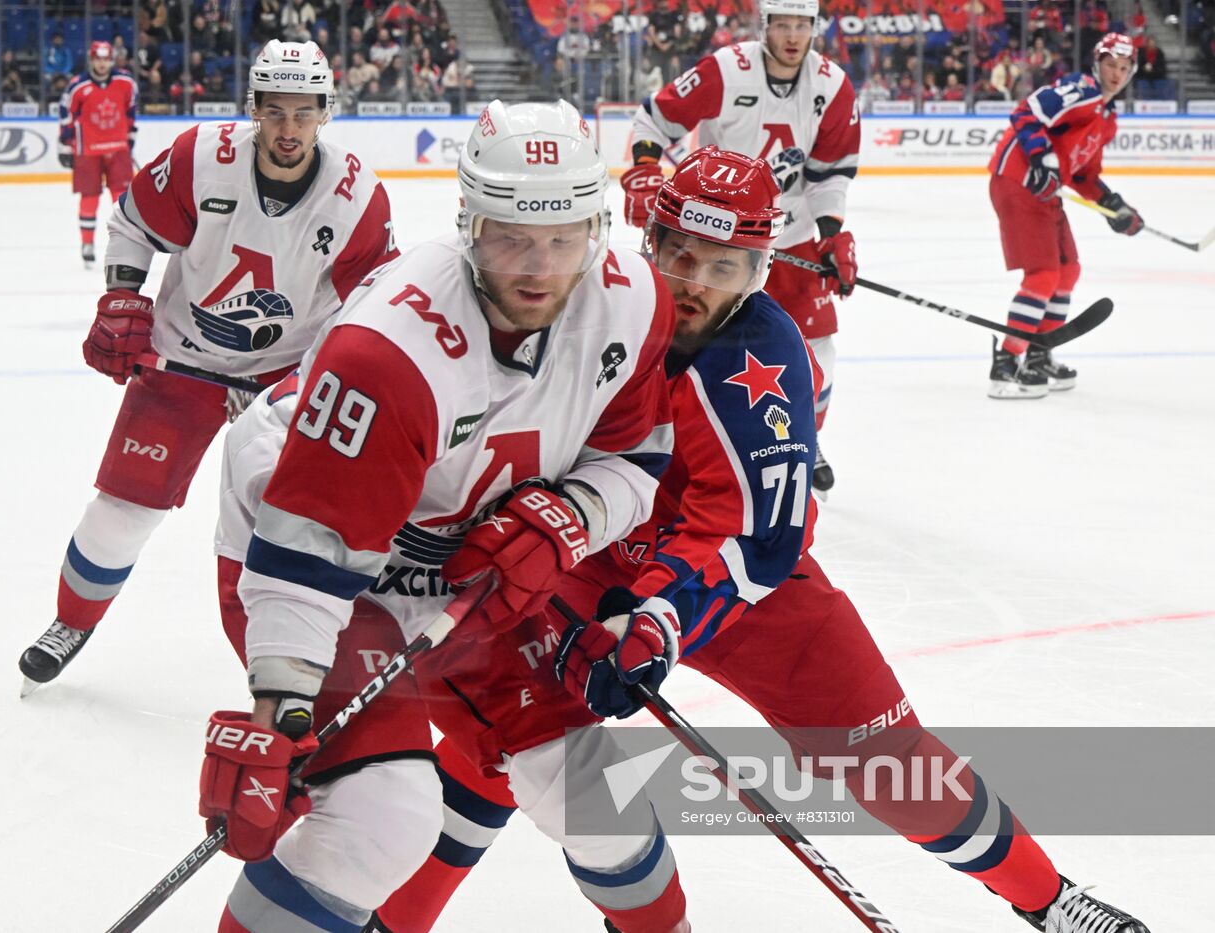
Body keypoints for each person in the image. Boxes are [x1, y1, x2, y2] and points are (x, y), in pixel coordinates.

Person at [374, 148, 1153, 933]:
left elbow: (757, 537)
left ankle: (1050, 900)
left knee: (891, 764)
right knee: (512, 739)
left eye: (726, 264)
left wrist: (657, 616)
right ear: (650, 240)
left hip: (739, 589)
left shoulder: (762, 355)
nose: (696, 283)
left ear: (757, 268)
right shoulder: (588, 307)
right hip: (582, 560)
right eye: (681, 253)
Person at [198, 98, 676, 933]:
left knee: (597, 789)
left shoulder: (632, 302)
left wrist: (571, 515)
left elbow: (635, 462)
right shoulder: (390, 350)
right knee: (383, 814)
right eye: (510, 236)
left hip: (465, 563)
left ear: (597, 225)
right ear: (468, 219)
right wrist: (284, 715)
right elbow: (308, 559)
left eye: (564, 238)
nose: (538, 266)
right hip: (315, 556)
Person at [16, 40, 398, 693]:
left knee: (290, 525)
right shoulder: (202, 157)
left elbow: (377, 297)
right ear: (253, 107)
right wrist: (121, 296)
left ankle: (303, 672)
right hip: (183, 358)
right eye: (275, 111)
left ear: (325, 113)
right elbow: (133, 224)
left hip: (287, 378)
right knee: (122, 510)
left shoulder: (357, 193)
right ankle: (70, 620)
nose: (288, 128)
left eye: (303, 113)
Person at [621, 0, 858, 497]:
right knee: (678, 337)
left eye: (803, 25)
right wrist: (644, 170)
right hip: (709, 238)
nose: (793, 36)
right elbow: (654, 120)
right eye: (783, 24)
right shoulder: (728, 69)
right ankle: (651, 433)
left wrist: (831, 232)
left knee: (818, 348)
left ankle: (803, 440)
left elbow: (829, 172)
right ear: (765, 25)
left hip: (786, 236)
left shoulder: (832, 84)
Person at [985, 32, 1142, 399]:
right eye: (1110, 65)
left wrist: (1115, 206)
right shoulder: (1082, 89)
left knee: (1068, 271)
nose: (1116, 74)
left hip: (1045, 191)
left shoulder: (1106, 118)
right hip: (1018, 181)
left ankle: (1039, 354)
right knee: (1043, 275)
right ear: (1096, 64)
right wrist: (1042, 158)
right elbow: (1025, 112)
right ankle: (1006, 364)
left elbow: (1084, 175)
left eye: (1124, 67)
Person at [58, 40, 138, 267]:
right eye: (98, 59)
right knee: (89, 198)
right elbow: (66, 115)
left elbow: (131, 112)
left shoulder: (126, 83)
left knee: (122, 200)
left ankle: (125, 245)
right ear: (91, 60)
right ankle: (87, 243)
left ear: (111, 59)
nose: (102, 64)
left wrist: (129, 139)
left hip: (118, 150)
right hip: (87, 152)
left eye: (105, 59)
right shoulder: (77, 86)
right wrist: (65, 145)